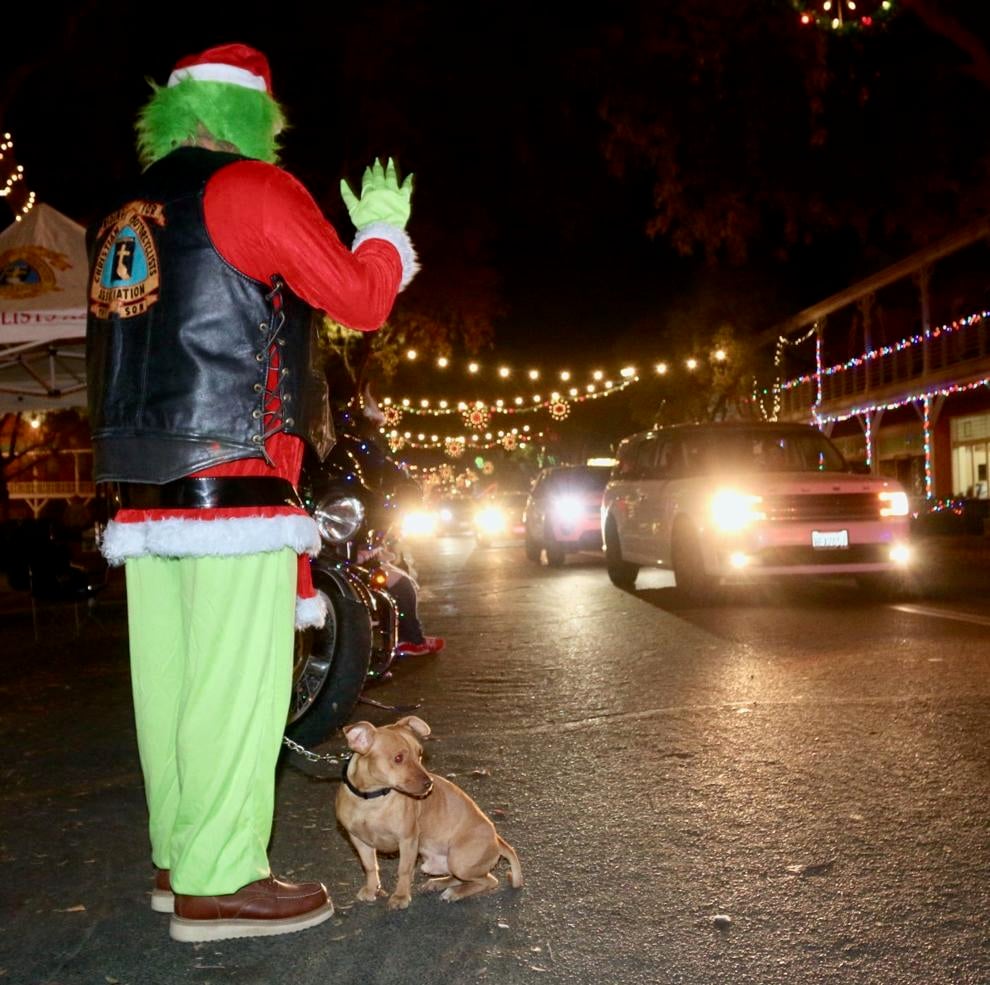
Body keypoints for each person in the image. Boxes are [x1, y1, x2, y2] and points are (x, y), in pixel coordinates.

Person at [85, 43, 417, 943]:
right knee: (235, 686)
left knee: (169, 683)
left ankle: (179, 857)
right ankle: (221, 881)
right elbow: (359, 299)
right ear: (254, 121)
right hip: (234, 478)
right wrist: (384, 232)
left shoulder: (122, 213)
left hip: (138, 488)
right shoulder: (253, 191)